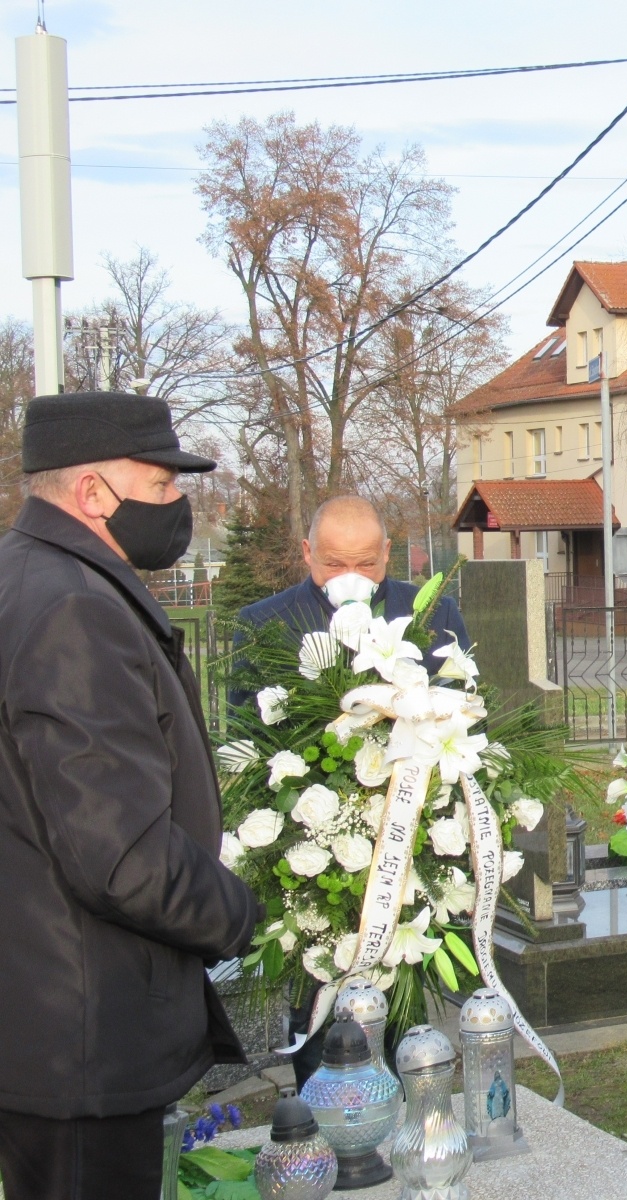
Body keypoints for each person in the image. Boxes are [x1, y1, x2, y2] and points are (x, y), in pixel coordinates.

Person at [0, 393, 262, 1198]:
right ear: (91, 495)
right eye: (161, 487)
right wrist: (239, 913)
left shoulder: (27, 574)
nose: (179, 507)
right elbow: (119, 856)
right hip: (82, 1022)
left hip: (42, 1003)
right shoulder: (75, 607)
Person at [232, 495, 469, 705]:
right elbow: (243, 734)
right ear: (308, 551)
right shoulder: (261, 621)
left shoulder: (436, 614)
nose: (350, 578)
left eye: (366, 564)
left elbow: (470, 713)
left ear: (385, 551)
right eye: (335, 565)